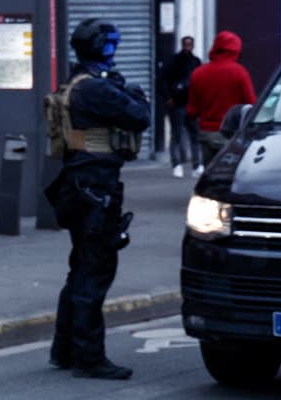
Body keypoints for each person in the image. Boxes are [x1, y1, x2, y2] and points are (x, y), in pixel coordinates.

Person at [45, 19, 152, 380]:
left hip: (78, 183)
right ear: (106, 48)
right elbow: (140, 117)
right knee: (95, 269)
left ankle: (65, 349)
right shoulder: (96, 89)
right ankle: (89, 356)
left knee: (80, 268)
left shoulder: (75, 82)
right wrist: (136, 94)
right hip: (96, 186)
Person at [188, 30, 256, 171]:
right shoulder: (239, 73)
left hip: (206, 132)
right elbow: (251, 104)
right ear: (236, 50)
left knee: (210, 174)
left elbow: (192, 110)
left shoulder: (198, 73)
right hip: (232, 135)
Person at [160, 36, 203, 178]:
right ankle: (177, 164)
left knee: (195, 135)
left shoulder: (196, 62)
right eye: (185, 44)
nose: (187, 47)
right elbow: (163, 80)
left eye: (190, 44)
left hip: (192, 104)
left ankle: (196, 165)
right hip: (177, 103)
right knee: (176, 134)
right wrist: (168, 98)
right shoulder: (173, 61)